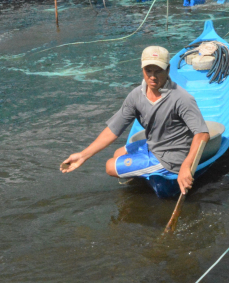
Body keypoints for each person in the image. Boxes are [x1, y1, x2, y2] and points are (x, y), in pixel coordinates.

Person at [60, 46, 210, 194]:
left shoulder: (181, 98)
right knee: (119, 153)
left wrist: (186, 165)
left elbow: (202, 134)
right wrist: (83, 155)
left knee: (110, 166)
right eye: (148, 70)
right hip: (155, 145)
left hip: (171, 157)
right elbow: (114, 129)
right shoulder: (136, 95)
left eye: (158, 70)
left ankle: (151, 172)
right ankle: (143, 171)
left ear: (168, 70)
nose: (153, 76)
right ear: (142, 69)